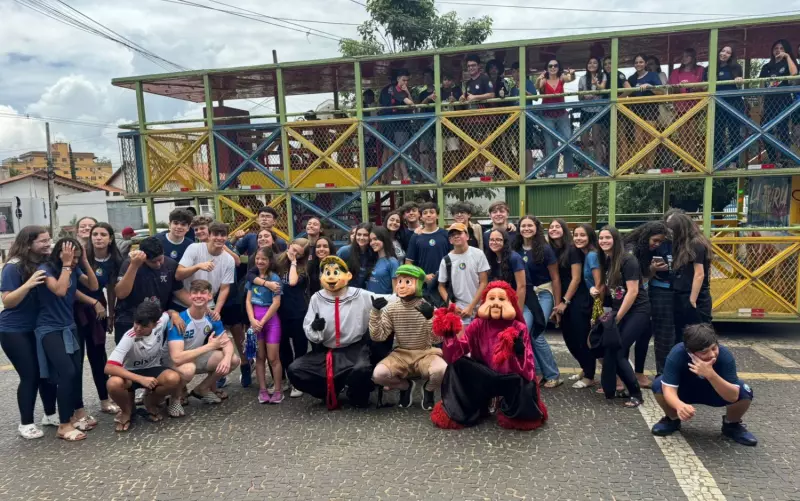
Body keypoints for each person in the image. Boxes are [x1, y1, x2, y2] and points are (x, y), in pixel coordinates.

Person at [430, 281, 548, 430]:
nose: (496, 303)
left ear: (511, 303)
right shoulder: (478, 324)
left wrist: (517, 352)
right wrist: (450, 336)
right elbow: (455, 355)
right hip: (484, 375)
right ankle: (461, 410)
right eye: (491, 299)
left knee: (526, 382)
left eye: (501, 299)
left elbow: (528, 370)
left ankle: (514, 412)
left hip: (510, 379)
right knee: (458, 365)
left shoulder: (519, 327)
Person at [288, 256, 394, 409]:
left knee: (362, 370)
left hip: (355, 349)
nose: (331, 276)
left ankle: (356, 392)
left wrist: (415, 298)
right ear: (321, 277)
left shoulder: (359, 295)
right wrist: (315, 328)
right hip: (326, 352)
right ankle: (329, 390)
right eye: (327, 272)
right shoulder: (317, 299)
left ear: (348, 276)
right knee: (295, 370)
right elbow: (308, 326)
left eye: (336, 272)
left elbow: (391, 299)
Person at [651, 323, 757, 446]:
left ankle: (732, 425)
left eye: (714, 348)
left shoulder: (724, 355)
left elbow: (733, 396)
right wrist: (679, 405)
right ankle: (672, 420)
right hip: (686, 391)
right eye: (704, 352)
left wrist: (711, 374)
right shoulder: (677, 353)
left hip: (715, 392)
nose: (712, 354)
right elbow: (668, 389)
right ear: (690, 352)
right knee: (659, 385)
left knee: (744, 390)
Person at [36, 238, 100, 441]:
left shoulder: (74, 268)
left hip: (69, 326)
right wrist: (66, 264)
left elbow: (93, 285)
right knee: (66, 372)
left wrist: (85, 262)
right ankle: (63, 425)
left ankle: (72, 416)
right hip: (49, 328)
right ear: (61, 254)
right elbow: (60, 290)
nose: (74, 262)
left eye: (77, 258)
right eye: (73, 258)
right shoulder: (45, 269)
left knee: (74, 373)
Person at [0, 226, 57, 439]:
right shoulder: (13, 267)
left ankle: (50, 414)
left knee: (47, 373)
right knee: (30, 375)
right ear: (28, 243)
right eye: (42, 241)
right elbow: (8, 301)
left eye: (48, 240)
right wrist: (29, 284)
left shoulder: (44, 262)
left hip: (40, 328)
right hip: (14, 330)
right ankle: (26, 423)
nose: (47, 244)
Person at [369, 265, 444, 410]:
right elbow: (378, 336)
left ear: (419, 284)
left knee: (441, 370)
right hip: (401, 354)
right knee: (379, 374)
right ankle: (405, 386)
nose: (402, 286)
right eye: (399, 281)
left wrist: (430, 318)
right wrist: (375, 313)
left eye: (408, 282)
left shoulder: (428, 307)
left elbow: (438, 340)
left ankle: (428, 390)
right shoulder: (391, 308)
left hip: (425, 352)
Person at [105, 302, 182, 431]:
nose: (138, 328)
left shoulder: (161, 322)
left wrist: (175, 314)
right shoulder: (129, 336)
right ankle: (126, 411)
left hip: (153, 369)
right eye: (136, 323)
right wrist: (140, 379)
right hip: (130, 374)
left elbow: (168, 312)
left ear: (155, 324)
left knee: (173, 378)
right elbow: (109, 367)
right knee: (113, 383)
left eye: (144, 326)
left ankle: (150, 402)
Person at [597, 226, 650, 408]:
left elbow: (633, 291)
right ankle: (623, 388)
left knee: (619, 351)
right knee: (614, 350)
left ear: (616, 239)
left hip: (638, 311)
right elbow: (613, 291)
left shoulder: (628, 260)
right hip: (620, 311)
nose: (603, 241)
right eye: (601, 238)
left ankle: (636, 394)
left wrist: (616, 318)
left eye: (607, 238)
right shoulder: (608, 260)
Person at [74, 221, 122, 415]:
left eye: (103, 234)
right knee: (75, 360)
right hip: (76, 308)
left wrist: (111, 312)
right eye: (95, 234)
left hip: (99, 310)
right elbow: (71, 288)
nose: (98, 238)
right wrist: (94, 303)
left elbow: (111, 288)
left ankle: (104, 399)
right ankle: (78, 407)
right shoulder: (81, 256)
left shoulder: (116, 259)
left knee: (98, 355)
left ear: (110, 238)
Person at [166, 279, 240, 405]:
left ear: (210, 296)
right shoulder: (180, 319)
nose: (199, 296)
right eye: (195, 292)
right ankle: (175, 399)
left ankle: (202, 388)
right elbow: (177, 357)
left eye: (203, 293)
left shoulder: (212, 317)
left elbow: (226, 342)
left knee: (233, 360)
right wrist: (209, 346)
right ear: (190, 295)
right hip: (171, 361)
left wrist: (226, 358)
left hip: (194, 356)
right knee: (188, 369)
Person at [515, 215, 562, 387]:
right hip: (526, 295)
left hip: (543, 293)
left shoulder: (545, 249)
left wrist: (557, 305)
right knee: (524, 332)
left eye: (530, 225)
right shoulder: (516, 248)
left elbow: (555, 278)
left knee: (537, 333)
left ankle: (553, 374)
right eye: (523, 226)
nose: (526, 229)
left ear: (536, 228)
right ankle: (538, 372)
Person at [114, 237, 189, 344]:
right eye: (153, 262)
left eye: (160, 259)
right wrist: (134, 266)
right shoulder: (129, 264)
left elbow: (179, 291)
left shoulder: (171, 265)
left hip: (155, 321)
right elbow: (121, 294)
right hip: (130, 319)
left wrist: (203, 307)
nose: (158, 264)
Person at [625, 221, 672, 376]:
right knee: (626, 337)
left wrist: (653, 269)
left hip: (643, 295)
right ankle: (624, 374)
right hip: (628, 297)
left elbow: (645, 276)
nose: (657, 244)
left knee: (644, 334)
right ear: (646, 236)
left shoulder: (649, 249)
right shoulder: (631, 249)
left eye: (660, 241)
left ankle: (638, 373)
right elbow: (634, 278)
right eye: (655, 240)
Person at [245, 247, 284, 404]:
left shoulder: (275, 278)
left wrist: (262, 321)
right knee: (259, 357)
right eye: (257, 259)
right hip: (255, 321)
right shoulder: (252, 278)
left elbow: (276, 302)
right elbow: (248, 300)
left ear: (269, 261)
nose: (260, 262)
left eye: (264, 259)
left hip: (271, 322)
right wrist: (252, 320)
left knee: (273, 358)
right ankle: (262, 389)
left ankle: (278, 390)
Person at [667, 212, 712, 344]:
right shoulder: (685, 244)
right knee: (682, 335)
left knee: (699, 337)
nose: (670, 234)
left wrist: (692, 299)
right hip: (681, 294)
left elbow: (699, 273)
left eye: (672, 231)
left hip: (694, 296)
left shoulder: (696, 244)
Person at [438, 223, 490, 326]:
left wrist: (471, 306)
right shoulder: (446, 260)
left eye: (459, 233)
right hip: (459, 310)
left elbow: (484, 282)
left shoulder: (478, 254)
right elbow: (441, 286)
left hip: (480, 308)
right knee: (461, 340)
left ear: (467, 236)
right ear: (450, 240)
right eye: (452, 235)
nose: (456, 236)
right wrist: (451, 305)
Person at [569, 223, 599, 389]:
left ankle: (590, 376)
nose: (578, 238)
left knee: (589, 339)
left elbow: (599, 283)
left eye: (582, 235)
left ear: (590, 237)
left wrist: (597, 308)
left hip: (594, 302)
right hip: (588, 299)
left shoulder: (592, 256)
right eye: (576, 235)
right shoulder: (584, 254)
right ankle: (586, 370)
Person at [759, 39, 798, 164]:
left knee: (783, 130)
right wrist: (760, 104)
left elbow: (794, 74)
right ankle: (772, 158)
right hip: (769, 102)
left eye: (782, 48)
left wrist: (787, 56)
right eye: (776, 48)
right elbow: (762, 85)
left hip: (784, 101)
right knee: (765, 130)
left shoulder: (789, 63)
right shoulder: (767, 66)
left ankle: (785, 158)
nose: (778, 51)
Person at [535, 59, 576, 177]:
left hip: (561, 114)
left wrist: (572, 73)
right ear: (547, 68)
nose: (553, 68)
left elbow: (570, 78)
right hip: (547, 116)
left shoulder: (561, 77)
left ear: (559, 67)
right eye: (550, 66)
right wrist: (538, 79)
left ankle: (569, 171)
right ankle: (551, 172)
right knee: (550, 144)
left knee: (568, 140)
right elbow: (539, 87)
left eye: (555, 65)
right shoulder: (543, 79)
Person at [707, 45, 745, 169]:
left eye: (728, 52)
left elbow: (739, 80)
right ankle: (721, 160)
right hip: (717, 104)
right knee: (717, 133)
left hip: (733, 103)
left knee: (734, 132)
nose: (724, 54)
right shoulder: (711, 68)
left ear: (731, 56)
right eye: (723, 51)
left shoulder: (735, 67)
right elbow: (704, 85)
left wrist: (739, 79)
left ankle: (733, 161)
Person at [626, 54, 666, 170]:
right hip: (637, 111)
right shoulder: (632, 79)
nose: (639, 64)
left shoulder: (652, 75)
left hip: (650, 110)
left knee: (650, 140)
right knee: (638, 140)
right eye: (636, 62)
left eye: (641, 62)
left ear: (645, 64)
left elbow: (662, 92)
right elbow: (627, 93)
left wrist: (649, 86)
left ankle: (651, 166)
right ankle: (642, 165)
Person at [406, 202, 451, 300]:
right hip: (423, 286)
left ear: (437, 215)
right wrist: (423, 277)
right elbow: (408, 263)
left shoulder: (446, 235)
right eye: (425, 213)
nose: (429, 215)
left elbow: (453, 259)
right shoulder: (416, 237)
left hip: (444, 284)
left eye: (432, 212)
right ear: (421, 217)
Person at [486, 229, 526, 312]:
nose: (494, 242)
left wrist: (517, 311)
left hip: (522, 302)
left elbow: (521, 286)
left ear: (505, 241)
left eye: (498, 240)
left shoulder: (514, 258)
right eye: (491, 240)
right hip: (502, 302)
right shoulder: (491, 258)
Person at [511, 61, 540, 172]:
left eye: (516, 71)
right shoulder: (513, 88)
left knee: (527, 146)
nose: (514, 74)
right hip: (515, 120)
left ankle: (529, 172)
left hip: (527, 118)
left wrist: (523, 90)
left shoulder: (528, 82)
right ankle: (521, 171)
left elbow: (535, 97)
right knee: (519, 146)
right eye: (513, 72)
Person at [578, 57, 607, 164]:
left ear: (598, 65)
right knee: (584, 140)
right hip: (585, 110)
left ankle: (598, 165)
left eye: (595, 63)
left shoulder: (602, 76)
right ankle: (586, 166)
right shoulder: (582, 79)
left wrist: (596, 84)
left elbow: (602, 89)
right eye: (590, 63)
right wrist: (584, 96)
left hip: (597, 111)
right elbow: (579, 96)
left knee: (596, 139)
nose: (592, 65)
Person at [337, 222, 373, 288]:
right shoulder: (345, 251)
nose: (361, 238)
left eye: (365, 235)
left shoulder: (373, 253)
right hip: (346, 292)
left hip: (364, 293)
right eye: (359, 234)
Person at [366, 226, 399, 294]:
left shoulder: (392, 262)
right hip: (369, 301)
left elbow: (396, 291)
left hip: (385, 302)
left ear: (384, 239)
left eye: (375, 239)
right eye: (371, 240)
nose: (372, 243)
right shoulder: (373, 259)